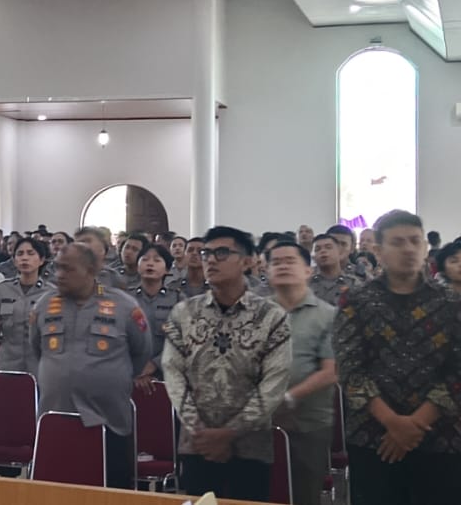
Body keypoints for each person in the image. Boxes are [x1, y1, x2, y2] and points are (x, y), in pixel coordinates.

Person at [334, 210, 461, 503]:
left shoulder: (451, 302)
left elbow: (457, 371)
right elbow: (350, 368)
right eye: (397, 242)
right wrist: (393, 422)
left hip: (441, 435)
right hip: (373, 435)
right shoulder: (355, 300)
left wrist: (414, 424)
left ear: (425, 247)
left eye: (415, 241)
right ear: (378, 251)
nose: (408, 249)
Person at [162, 227, 292, 502]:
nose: (210, 259)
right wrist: (200, 430)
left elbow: (274, 382)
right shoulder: (184, 313)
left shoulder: (271, 316)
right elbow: (173, 373)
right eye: (206, 253)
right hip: (197, 444)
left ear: (247, 261)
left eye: (221, 253)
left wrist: (230, 433)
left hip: (250, 445)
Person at [30, 242, 150, 489]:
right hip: (56, 418)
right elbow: (36, 349)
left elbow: (141, 352)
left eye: (68, 269)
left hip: (109, 420)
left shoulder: (124, 306)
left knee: (111, 494)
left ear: (92, 270)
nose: (59, 275)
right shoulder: (43, 305)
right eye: (57, 267)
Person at [265, 240, 337, 505]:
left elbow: (331, 370)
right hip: (259, 424)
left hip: (308, 423)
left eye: (290, 261)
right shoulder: (256, 313)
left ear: (308, 270)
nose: (283, 266)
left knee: (303, 494)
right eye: (276, 262)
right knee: (260, 494)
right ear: (267, 271)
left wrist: (288, 398)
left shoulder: (328, 315)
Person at [0, 237, 50, 372]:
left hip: (39, 364)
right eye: (20, 254)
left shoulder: (51, 293)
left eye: (30, 253)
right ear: (14, 260)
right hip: (7, 361)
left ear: (41, 260)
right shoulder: (2, 289)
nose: (25, 258)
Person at [131, 242, 177, 392]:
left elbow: (182, 340)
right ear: (137, 266)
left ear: (167, 269)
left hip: (168, 374)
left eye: (157, 260)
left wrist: (154, 365)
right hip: (130, 374)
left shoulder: (178, 300)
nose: (150, 263)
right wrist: (138, 370)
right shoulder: (126, 300)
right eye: (145, 259)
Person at [308, 233, 358, 306]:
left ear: (339, 252)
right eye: (317, 249)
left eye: (328, 247)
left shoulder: (353, 283)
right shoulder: (306, 284)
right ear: (313, 256)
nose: (323, 251)